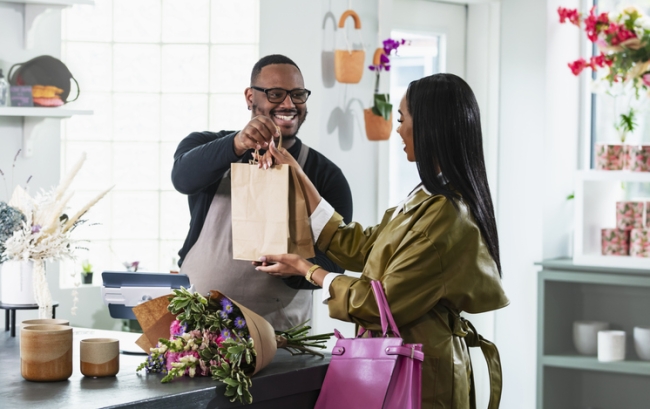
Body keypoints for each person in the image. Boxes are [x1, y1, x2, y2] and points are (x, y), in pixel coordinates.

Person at [255, 73, 509, 408]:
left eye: (403, 120)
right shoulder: (426, 198)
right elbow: (361, 245)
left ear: (430, 127)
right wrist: (296, 174)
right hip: (409, 360)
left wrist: (308, 269)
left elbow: (381, 303)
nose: (398, 131)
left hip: (423, 374)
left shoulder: (446, 214)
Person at [171, 54, 353, 331]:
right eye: (276, 94)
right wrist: (236, 144)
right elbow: (182, 178)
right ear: (249, 97)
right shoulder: (207, 145)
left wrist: (296, 269)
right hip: (199, 325)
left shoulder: (326, 175)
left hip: (279, 332)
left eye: (298, 95)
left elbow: (338, 259)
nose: (289, 104)